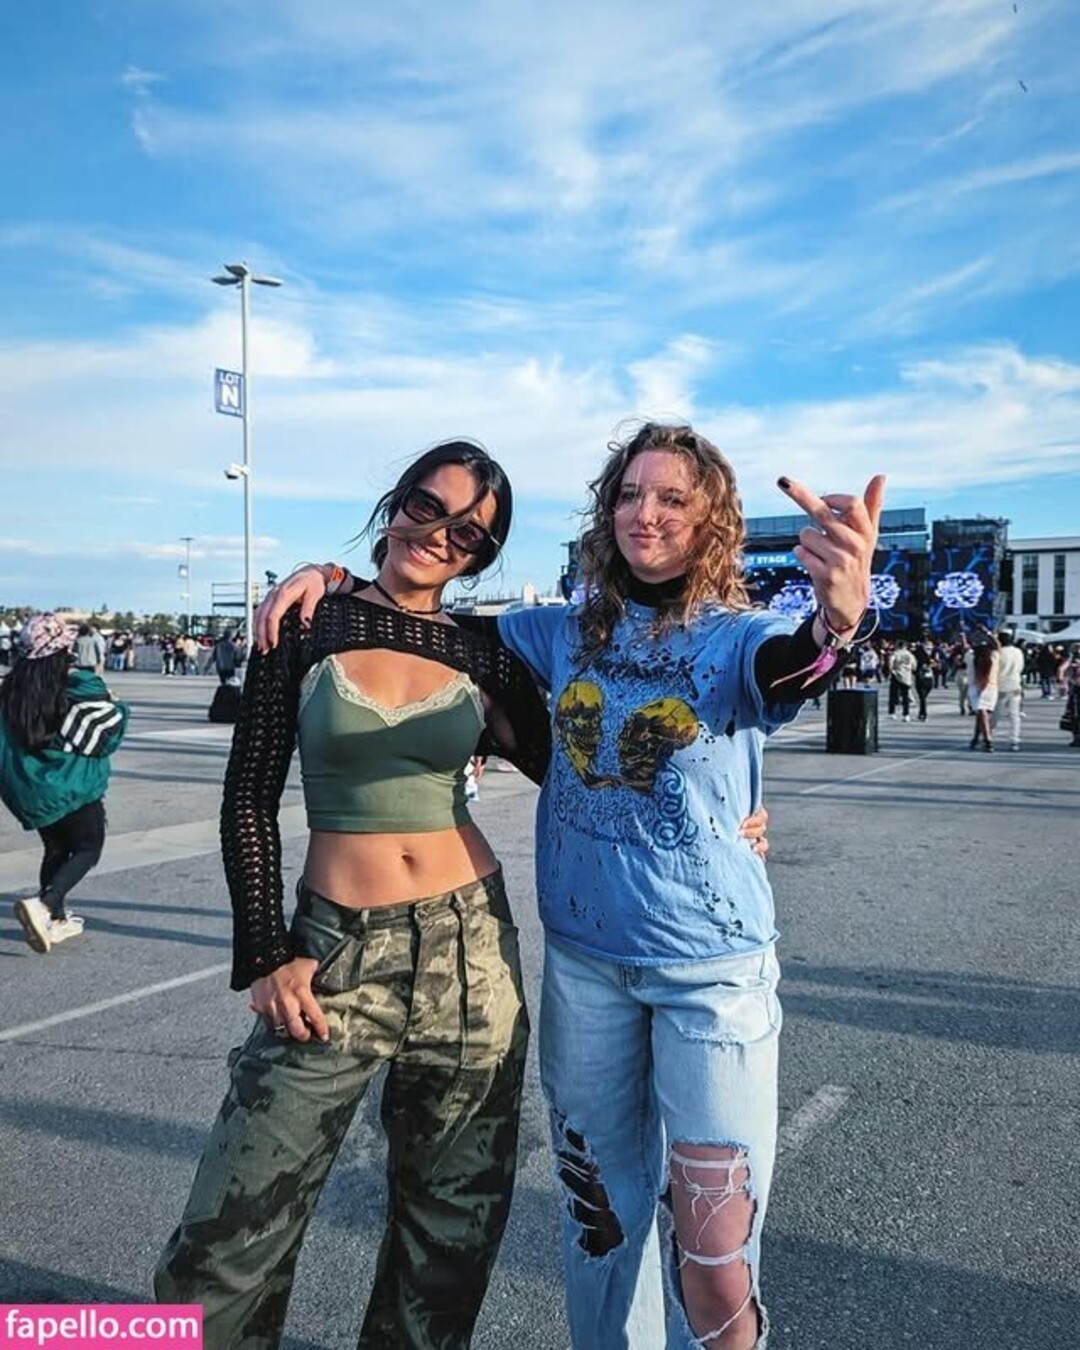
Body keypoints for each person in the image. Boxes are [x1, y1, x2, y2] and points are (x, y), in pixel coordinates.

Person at [260, 423, 883, 1350]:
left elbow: (793, 662)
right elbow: (419, 620)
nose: (645, 513)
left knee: (715, 1259)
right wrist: (332, 577)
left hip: (710, 977)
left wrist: (838, 620)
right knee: (600, 1230)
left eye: (672, 498)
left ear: (712, 518)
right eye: (630, 494)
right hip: (586, 972)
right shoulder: (559, 630)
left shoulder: (737, 636)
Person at [154, 439, 769, 1350]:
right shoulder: (309, 623)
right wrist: (266, 953)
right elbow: (248, 795)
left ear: (483, 557)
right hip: (333, 955)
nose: (440, 537)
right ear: (394, 504)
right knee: (228, 1232)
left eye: (470, 534)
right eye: (427, 508)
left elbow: (591, 770)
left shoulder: (484, 651)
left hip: (473, 954)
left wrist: (729, 812)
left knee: (447, 1239)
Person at [0, 614, 128, 953]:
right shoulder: (76, 684)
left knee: (56, 848)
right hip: (71, 787)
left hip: (29, 791)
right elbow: (106, 732)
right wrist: (116, 703)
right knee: (88, 848)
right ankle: (43, 906)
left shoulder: (10, 689)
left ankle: (55, 920)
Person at [969, 633, 1000, 752]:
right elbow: (997, 645)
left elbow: (966, 647)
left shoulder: (971, 657)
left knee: (982, 712)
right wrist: (989, 633)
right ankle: (976, 738)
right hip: (991, 688)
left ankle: (988, 740)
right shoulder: (994, 657)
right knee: (983, 714)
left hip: (975, 687)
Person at [995, 632, 1024, 751]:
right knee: (1014, 715)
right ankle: (1014, 739)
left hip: (1001, 685)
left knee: (995, 714)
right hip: (1015, 684)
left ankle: (987, 735)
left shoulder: (998, 653)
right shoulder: (1018, 652)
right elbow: (1021, 667)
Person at [888, 638, 915, 721]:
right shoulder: (910, 655)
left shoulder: (895, 653)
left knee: (893, 695)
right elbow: (914, 665)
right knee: (905, 696)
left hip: (896, 675)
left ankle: (892, 713)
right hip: (906, 676)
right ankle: (906, 714)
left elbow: (890, 662)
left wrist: (892, 670)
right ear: (905, 646)